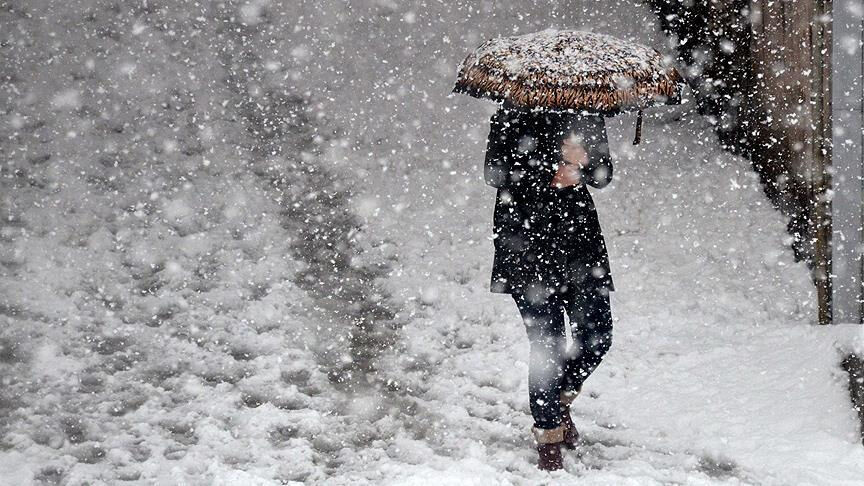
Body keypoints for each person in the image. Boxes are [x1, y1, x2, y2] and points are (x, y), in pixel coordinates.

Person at [483, 103, 615, 471]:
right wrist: (550, 167)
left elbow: (603, 175)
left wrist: (583, 164)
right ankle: (548, 438)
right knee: (547, 346)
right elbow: (495, 173)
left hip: (579, 244)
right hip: (525, 242)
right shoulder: (511, 114)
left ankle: (556, 402)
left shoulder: (586, 113)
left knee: (597, 335)